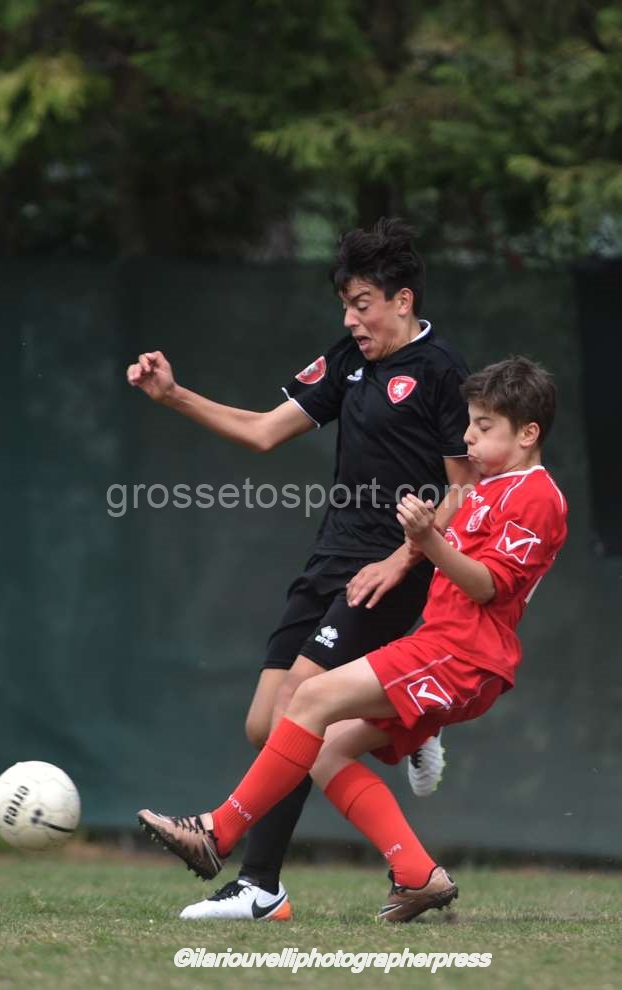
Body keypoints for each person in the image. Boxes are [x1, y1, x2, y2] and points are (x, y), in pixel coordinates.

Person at [127, 218, 477, 921]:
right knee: (269, 727)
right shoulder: (349, 360)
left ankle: (257, 882)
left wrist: (403, 556)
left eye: (362, 304)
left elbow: (464, 490)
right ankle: (404, 741)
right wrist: (174, 395)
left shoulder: (442, 370)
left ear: (403, 300)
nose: (350, 319)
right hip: (328, 561)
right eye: (345, 305)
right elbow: (263, 431)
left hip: (390, 571)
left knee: (298, 708)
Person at [138, 356, 568, 923]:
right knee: (323, 748)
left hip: (462, 655)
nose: (468, 436)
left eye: (484, 426)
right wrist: (425, 537)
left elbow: (488, 586)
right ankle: (417, 873)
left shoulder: (537, 496)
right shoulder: (487, 487)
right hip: (444, 647)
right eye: (470, 423)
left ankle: (219, 832)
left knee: (308, 698)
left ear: (528, 434)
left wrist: (427, 541)